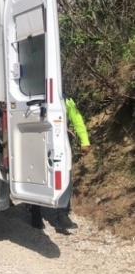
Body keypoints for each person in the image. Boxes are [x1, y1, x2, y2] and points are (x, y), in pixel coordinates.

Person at [29, 97, 91, 231]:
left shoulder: (66, 99)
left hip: (60, 141)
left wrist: (84, 140)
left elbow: (77, 119)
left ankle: (62, 215)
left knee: (64, 177)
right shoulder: (33, 98)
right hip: (38, 140)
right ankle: (35, 213)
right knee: (38, 175)